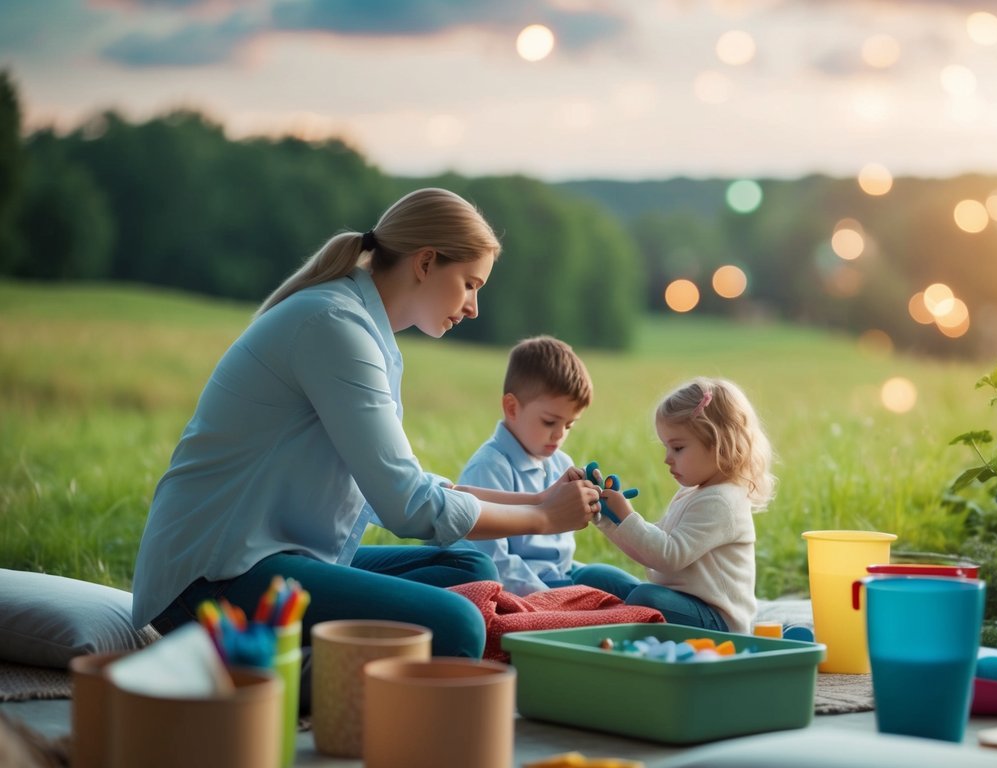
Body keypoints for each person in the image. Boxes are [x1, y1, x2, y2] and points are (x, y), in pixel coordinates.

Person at [131, 188, 603, 660]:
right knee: (458, 623)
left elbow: (402, 488)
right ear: (425, 263)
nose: (473, 306)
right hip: (213, 580)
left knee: (468, 567)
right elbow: (410, 507)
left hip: (274, 557)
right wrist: (543, 518)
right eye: (470, 284)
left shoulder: (359, 327)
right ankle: (273, 673)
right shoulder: (335, 327)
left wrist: (540, 499)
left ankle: (322, 657)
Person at [573, 377, 775, 633]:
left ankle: (617, 623)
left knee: (645, 600)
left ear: (720, 445)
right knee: (594, 577)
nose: (667, 459)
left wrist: (626, 516)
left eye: (678, 448)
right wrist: (608, 516)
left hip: (717, 622)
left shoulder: (723, 501)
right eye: (666, 447)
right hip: (679, 602)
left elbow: (667, 556)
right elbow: (650, 550)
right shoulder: (693, 491)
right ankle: (619, 620)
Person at [456, 335, 593, 595]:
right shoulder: (489, 469)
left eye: (569, 425)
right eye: (549, 422)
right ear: (512, 408)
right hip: (521, 586)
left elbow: (560, 556)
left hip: (560, 575)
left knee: (611, 579)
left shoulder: (561, 463)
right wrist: (550, 598)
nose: (559, 434)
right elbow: (495, 563)